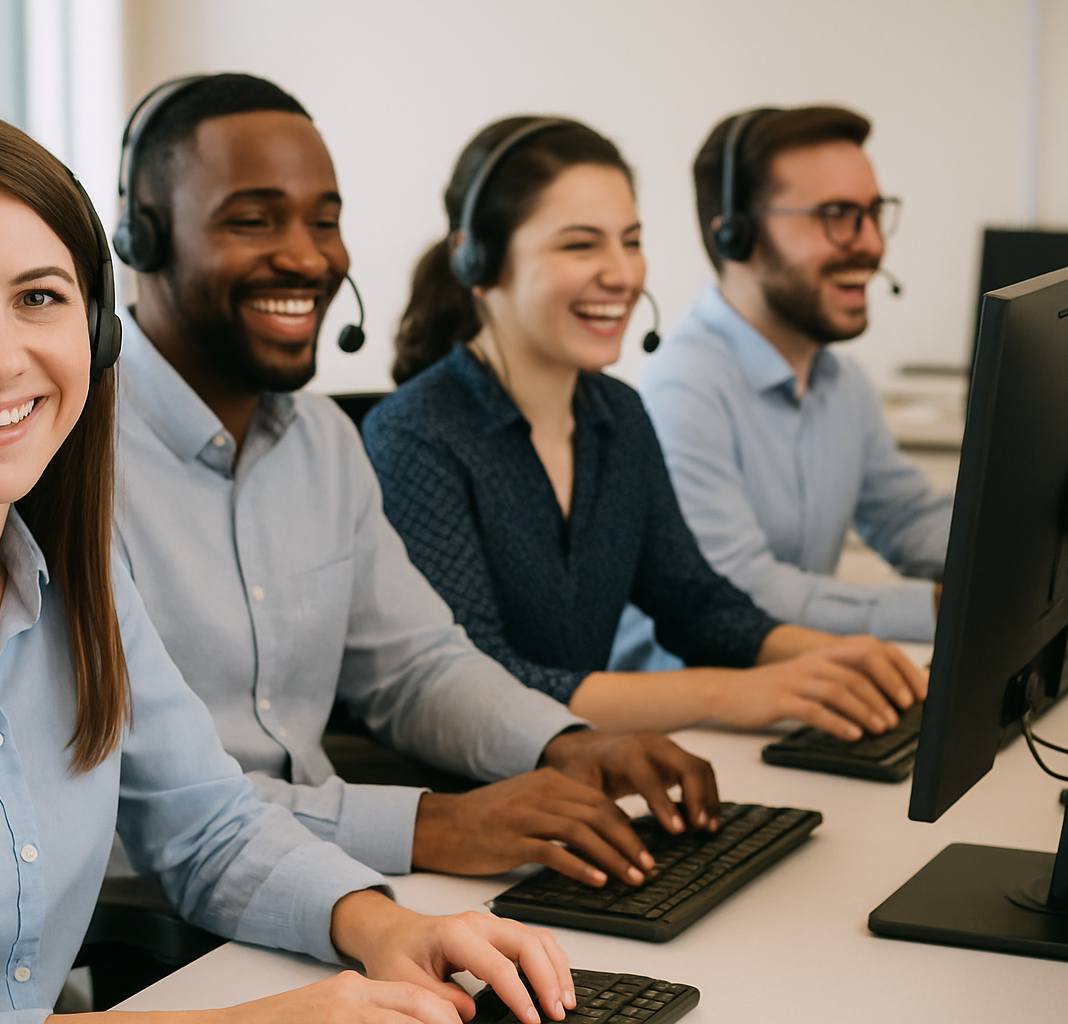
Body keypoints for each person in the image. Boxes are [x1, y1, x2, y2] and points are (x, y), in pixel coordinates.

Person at [0, 107, 580, 1024]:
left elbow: (209, 828)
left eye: (39, 297)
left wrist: (382, 927)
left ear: (94, 336)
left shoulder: (70, 581)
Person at [112, 73, 719, 893]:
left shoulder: (321, 440)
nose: (306, 255)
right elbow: (152, 800)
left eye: (325, 222)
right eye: (253, 220)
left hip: (328, 874)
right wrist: (434, 822)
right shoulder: (69, 458)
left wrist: (565, 743)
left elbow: (413, 666)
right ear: (142, 238)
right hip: (156, 911)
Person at [362, 116, 926, 740]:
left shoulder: (616, 415)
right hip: (475, 803)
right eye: (581, 245)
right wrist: (728, 692)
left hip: (586, 776)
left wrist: (826, 656)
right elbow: (476, 682)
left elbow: (697, 604)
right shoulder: (415, 436)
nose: (623, 274)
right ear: (480, 260)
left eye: (630, 241)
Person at [633, 105, 952, 648]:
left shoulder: (841, 382)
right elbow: (740, 591)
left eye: (873, 213)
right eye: (836, 214)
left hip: (800, 688)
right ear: (737, 236)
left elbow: (908, 519)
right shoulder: (682, 390)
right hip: (697, 714)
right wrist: (937, 609)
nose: (872, 244)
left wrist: (1025, 552)